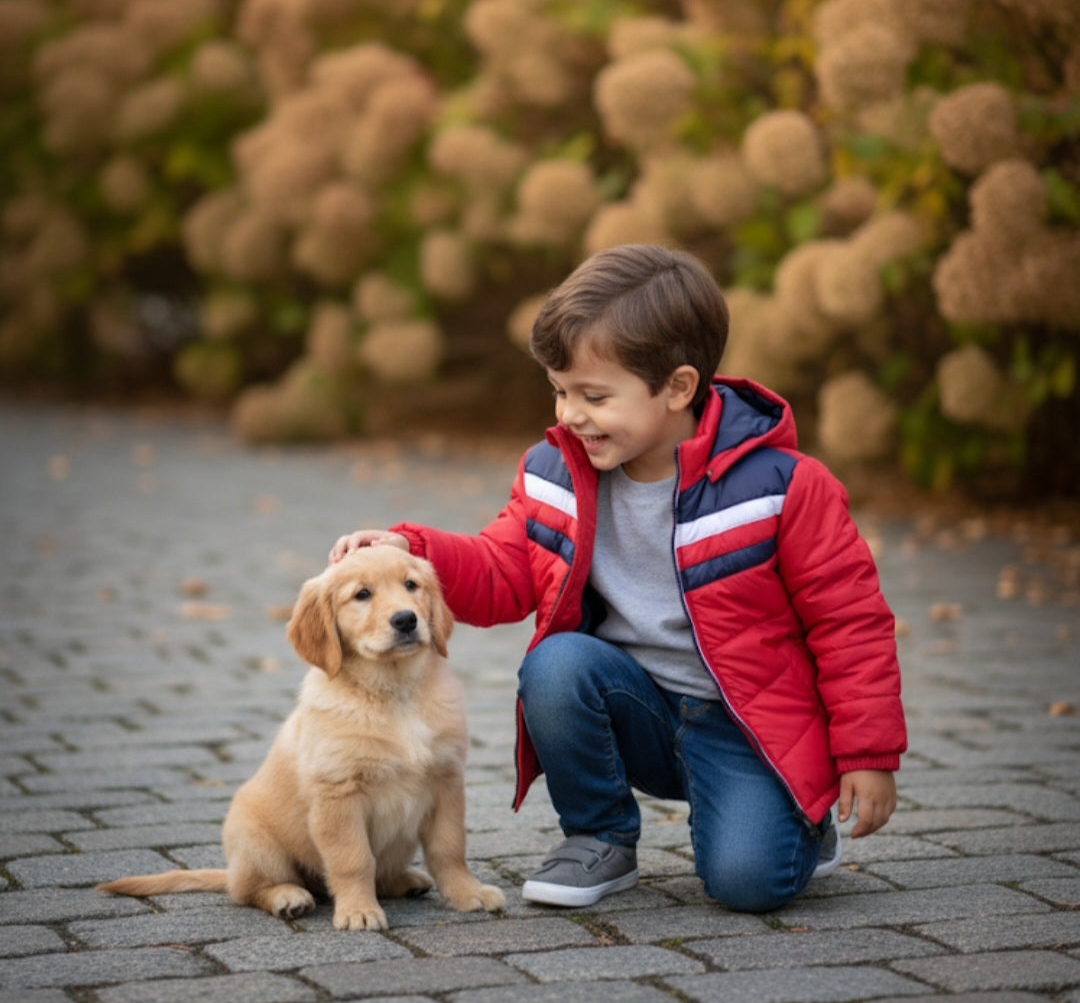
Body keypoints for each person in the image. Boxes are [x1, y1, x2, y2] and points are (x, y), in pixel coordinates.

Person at [330, 243, 906, 913]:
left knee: (749, 884)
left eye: (594, 396)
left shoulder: (784, 490)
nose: (570, 414)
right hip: (638, 710)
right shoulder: (555, 475)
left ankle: (796, 820)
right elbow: (502, 571)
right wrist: (409, 549)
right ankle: (599, 835)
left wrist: (866, 753)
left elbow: (850, 623)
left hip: (749, 729)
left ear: (678, 388)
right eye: (560, 391)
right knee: (556, 663)